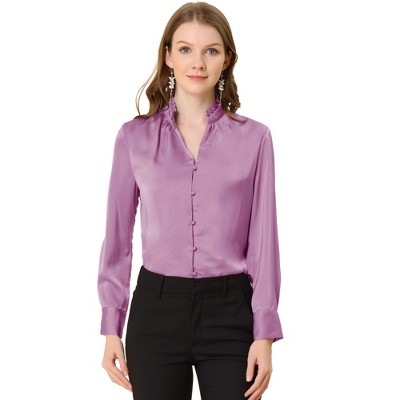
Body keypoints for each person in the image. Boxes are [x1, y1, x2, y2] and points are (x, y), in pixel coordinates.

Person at [97, 2, 283, 399]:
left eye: (210, 50)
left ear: (226, 59)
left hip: (231, 312)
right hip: (156, 311)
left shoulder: (255, 139)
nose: (197, 62)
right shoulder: (134, 138)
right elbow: (117, 239)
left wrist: (265, 332)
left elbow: (264, 243)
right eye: (185, 49)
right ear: (168, 56)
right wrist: (112, 325)